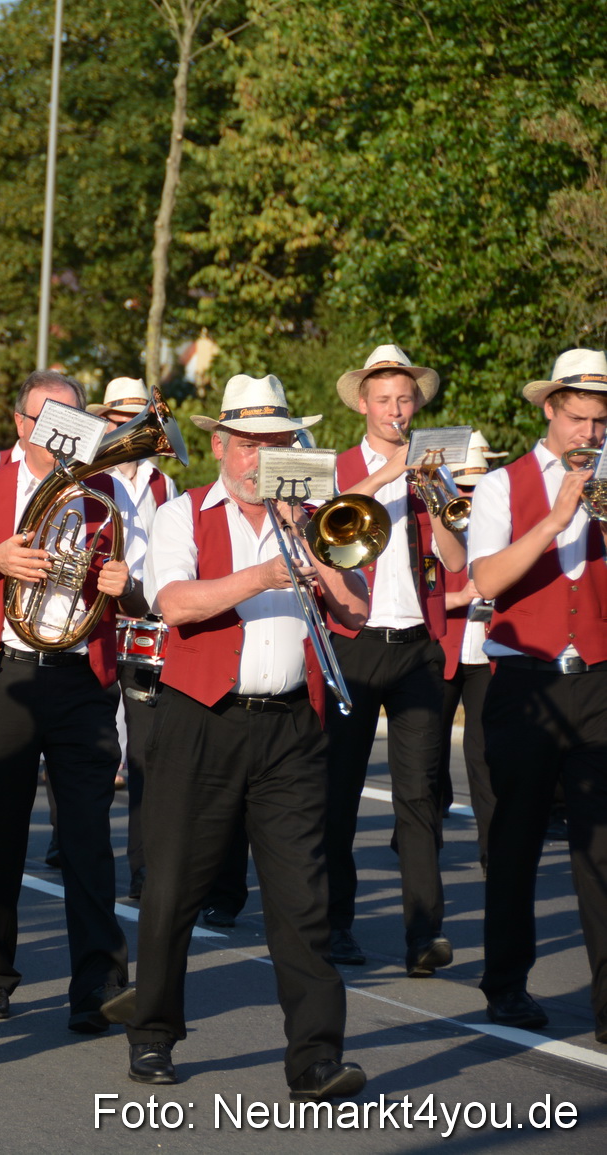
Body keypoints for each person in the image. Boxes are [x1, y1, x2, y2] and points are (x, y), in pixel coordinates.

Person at [127, 372, 371, 1100]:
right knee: (173, 886)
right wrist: (265, 569)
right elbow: (174, 603)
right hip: (200, 718)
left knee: (302, 896)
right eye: (248, 443)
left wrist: (313, 550)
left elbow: (355, 612)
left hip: (291, 723)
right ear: (220, 443)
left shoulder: (319, 516)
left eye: (276, 442)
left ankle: (316, 1057)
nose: (261, 456)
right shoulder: (183, 514)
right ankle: (154, 1032)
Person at [0, 370, 143, 1031]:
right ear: (21, 424)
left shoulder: (105, 486)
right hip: (5, 675)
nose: (65, 434)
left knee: (88, 837)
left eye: (75, 420)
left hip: (80, 676)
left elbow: (137, 600)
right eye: (50, 420)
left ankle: (98, 984)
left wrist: (123, 586)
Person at [468, 347, 607, 1041]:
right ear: (550, 410)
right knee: (515, 840)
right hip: (524, 683)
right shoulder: (502, 486)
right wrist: (555, 518)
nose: (590, 434)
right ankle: (506, 984)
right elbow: (487, 580)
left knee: (602, 848)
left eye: (601, 422)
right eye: (578, 418)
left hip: (599, 682)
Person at [323, 345, 465, 976]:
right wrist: (386, 477)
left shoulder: (435, 467)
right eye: (384, 400)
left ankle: (422, 934)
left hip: (416, 647)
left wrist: (438, 504)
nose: (396, 410)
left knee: (419, 798)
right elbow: (320, 530)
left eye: (406, 400)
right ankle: (335, 924)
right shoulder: (336, 468)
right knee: (340, 794)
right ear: (363, 403)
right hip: (354, 645)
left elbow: (458, 563)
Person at [87, 376, 182, 901]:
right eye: (118, 417)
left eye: (136, 417)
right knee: (96, 748)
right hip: (98, 622)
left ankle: (142, 867)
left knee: (146, 754)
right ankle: (78, 844)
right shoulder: (85, 472)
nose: (126, 426)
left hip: (146, 626)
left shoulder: (164, 485)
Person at [435, 432, 506, 866]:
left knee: (482, 755)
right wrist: (462, 597)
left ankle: (491, 849)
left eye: (479, 489)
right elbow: (413, 597)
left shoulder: (501, 519)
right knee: (427, 754)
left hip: (485, 654)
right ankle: (415, 841)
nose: (470, 498)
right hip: (442, 650)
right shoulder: (434, 526)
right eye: (463, 490)